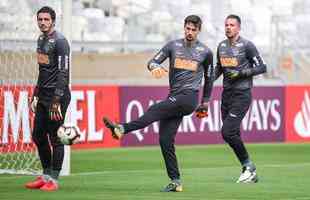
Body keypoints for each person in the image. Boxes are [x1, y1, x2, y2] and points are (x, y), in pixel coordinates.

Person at [103, 15, 213, 192]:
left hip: (189, 98)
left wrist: (205, 102)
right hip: (175, 96)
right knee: (165, 140)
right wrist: (154, 67)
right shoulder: (173, 46)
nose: (190, 32)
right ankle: (176, 181)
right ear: (184, 28)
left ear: (199, 31)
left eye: (193, 29)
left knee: (154, 109)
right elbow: (152, 61)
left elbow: (209, 79)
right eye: (188, 28)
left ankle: (122, 128)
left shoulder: (206, 52)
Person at [214, 14, 266, 183]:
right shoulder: (221, 46)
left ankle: (249, 166)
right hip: (226, 94)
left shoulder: (247, 46)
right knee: (230, 134)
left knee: (227, 131)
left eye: (232, 25)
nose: (228, 27)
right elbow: (219, 69)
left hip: (242, 94)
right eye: (226, 25)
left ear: (239, 28)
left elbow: (262, 67)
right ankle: (248, 171)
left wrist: (241, 73)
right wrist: (207, 81)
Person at [25, 6, 71, 192]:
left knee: (56, 137)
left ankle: (54, 179)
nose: (43, 22)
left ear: (53, 21)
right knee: (38, 135)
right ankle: (45, 174)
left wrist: (57, 98)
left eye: (46, 19)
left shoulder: (60, 42)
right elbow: (43, 70)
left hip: (56, 96)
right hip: (43, 94)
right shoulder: (41, 39)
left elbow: (63, 72)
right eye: (40, 19)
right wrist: (36, 93)